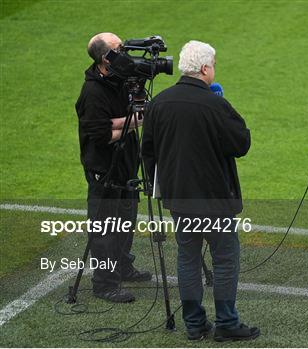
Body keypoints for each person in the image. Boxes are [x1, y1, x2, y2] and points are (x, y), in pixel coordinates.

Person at [141, 40, 259, 341]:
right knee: (225, 258)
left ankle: (194, 324)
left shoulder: (157, 104)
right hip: (215, 201)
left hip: (178, 199)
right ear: (205, 68)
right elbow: (241, 144)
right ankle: (227, 323)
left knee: (188, 259)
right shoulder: (216, 104)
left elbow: (148, 152)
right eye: (214, 65)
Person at [75, 32, 151, 303]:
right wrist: (136, 121)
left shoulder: (120, 80)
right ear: (105, 59)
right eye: (120, 49)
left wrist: (128, 120)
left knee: (126, 220)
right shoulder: (93, 92)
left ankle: (122, 265)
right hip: (104, 169)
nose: (126, 53)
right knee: (105, 227)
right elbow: (100, 134)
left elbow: (117, 121)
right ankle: (105, 283)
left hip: (126, 164)